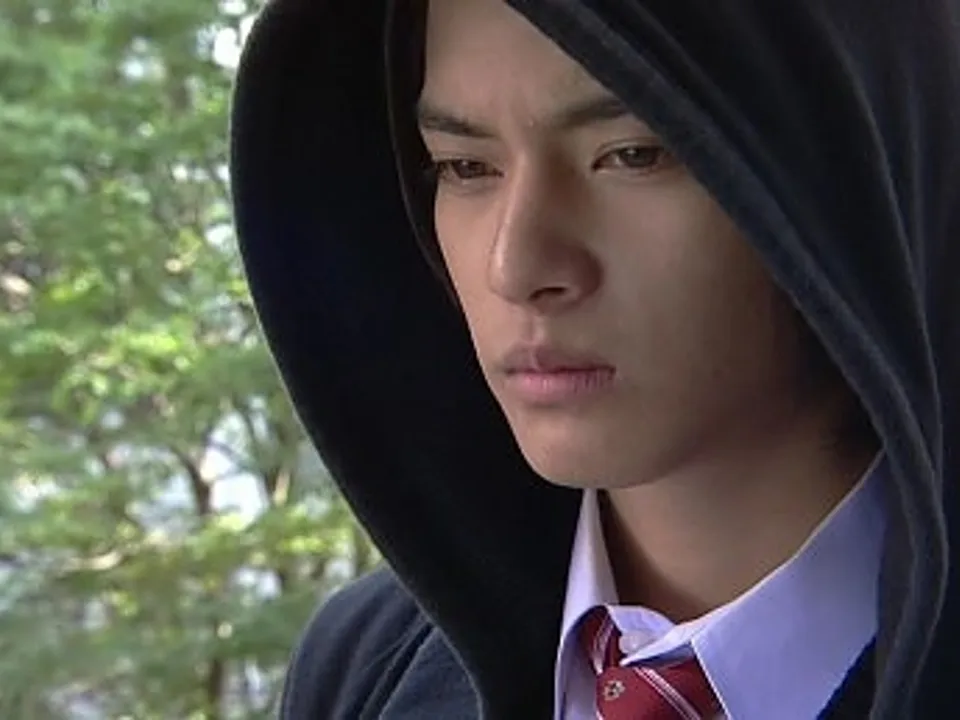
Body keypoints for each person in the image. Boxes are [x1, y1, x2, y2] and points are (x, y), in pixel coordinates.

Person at [229, 0, 958, 717]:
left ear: (860, 165)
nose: (515, 266)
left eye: (634, 154)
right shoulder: (367, 667)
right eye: (464, 166)